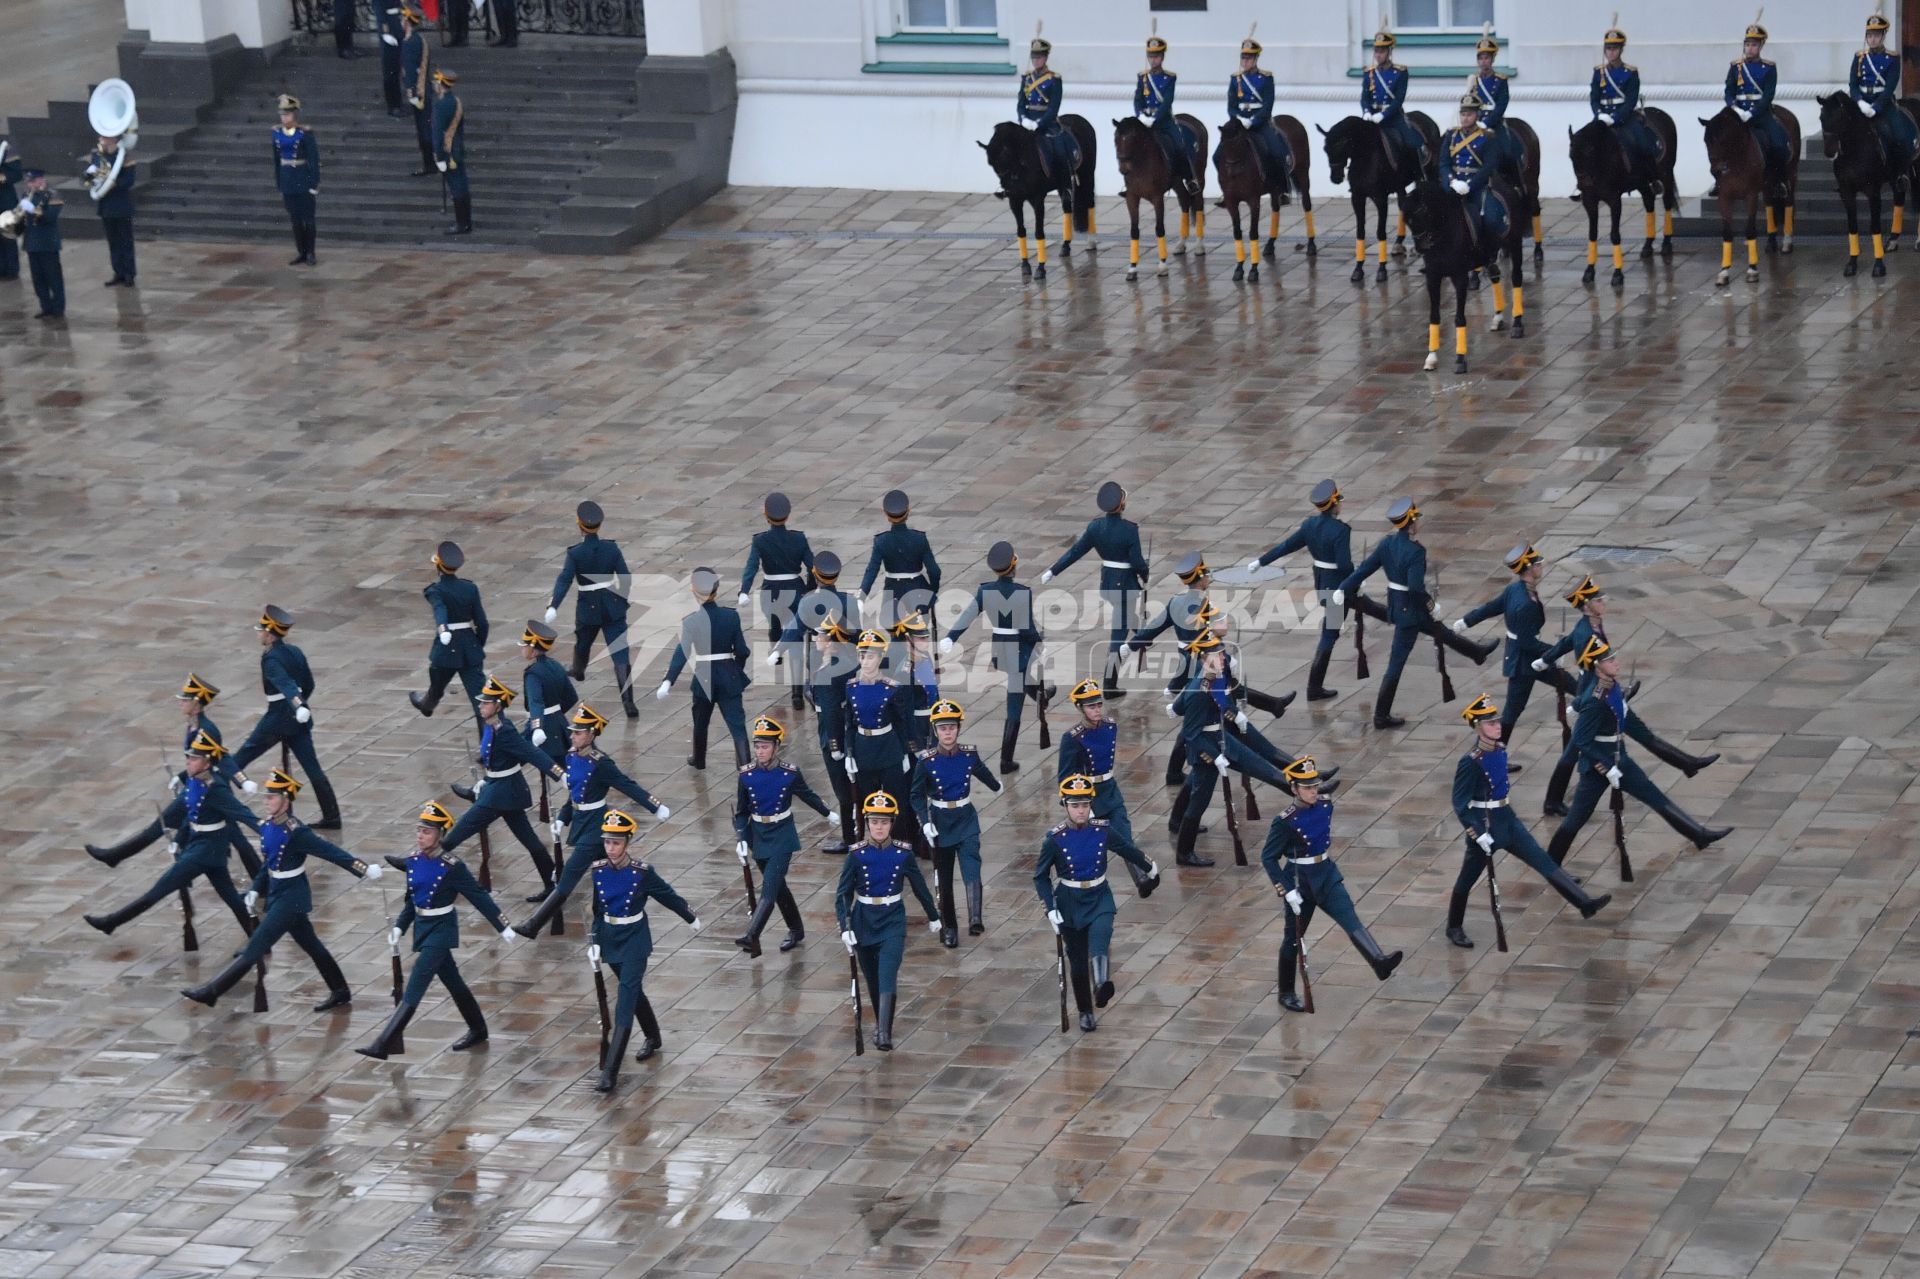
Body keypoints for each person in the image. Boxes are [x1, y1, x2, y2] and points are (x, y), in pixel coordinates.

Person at [181, 769, 382, 1011]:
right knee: (312, 945)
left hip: (291, 898)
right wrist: (256, 888)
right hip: (278, 895)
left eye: (272, 797)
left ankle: (213, 991)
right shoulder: (269, 826)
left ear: (286, 801)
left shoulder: (297, 832)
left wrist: (363, 869)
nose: (267, 802)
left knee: (255, 946)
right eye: (266, 797)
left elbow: (332, 853)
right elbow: (269, 862)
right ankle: (340, 990)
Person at [1545, 639, 1734, 867]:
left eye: (1613, 658)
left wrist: (1646, 738)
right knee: (1576, 819)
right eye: (1609, 660)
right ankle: (1551, 866)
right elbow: (1582, 741)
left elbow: (1623, 716)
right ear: (1597, 668)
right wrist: (1606, 766)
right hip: (1597, 769)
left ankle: (1699, 835)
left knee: (1655, 797)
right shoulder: (1595, 700)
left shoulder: (1611, 686)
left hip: (1620, 760)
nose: (1615, 663)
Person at [1444, 695, 1610, 950]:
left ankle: (1584, 903)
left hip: (1507, 820)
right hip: (1485, 825)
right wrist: (1478, 833)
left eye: (1497, 721)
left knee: (1543, 861)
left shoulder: (1499, 750)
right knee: (1468, 877)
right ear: (1478, 728)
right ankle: (1454, 926)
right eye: (1490, 724)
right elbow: (1459, 803)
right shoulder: (1471, 761)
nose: (1497, 726)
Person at [356, 801, 516, 1059]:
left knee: (416, 983)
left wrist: (502, 925)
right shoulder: (414, 862)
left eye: (427, 832)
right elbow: (413, 900)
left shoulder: (452, 866)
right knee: (453, 981)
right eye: (419, 830)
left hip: (442, 930)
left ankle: (382, 1043)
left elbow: (478, 895)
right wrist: (399, 927)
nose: (421, 836)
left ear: (440, 835)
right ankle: (478, 1029)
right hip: (423, 928)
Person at [1333, 497, 1497, 730]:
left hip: (1401, 605)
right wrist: (1432, 606)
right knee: (1396, 662)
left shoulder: (1387, 544)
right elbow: (1416, 588)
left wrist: (1344, 587)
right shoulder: (1415, 551)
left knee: (1439, 631)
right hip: (1410, 611)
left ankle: (1476, 652)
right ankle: (1381, 715)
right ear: (1410, 523)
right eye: (1416, 518)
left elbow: (1365, 569)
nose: (1418, 522)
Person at [84, 731, 258, 939]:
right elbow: (192, 816)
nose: (188, 762)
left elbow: (243, 814)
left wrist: (269, 831)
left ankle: (111, 922)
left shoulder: (216, 788)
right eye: (188, 757)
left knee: (156, 892)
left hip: (203, 852)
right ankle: (257, 939)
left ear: (206, 763)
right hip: (208, 850)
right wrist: (178, 840)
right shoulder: (195, 781)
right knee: (232, 899)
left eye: (194, 759)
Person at [1261, 757, 1402, 1012]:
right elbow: (1268, 857)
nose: (1313, 791)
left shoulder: (1325, 806)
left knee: (1349, 916)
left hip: (1325, 873)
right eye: (1307, 787)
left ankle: (1378, 961)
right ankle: (1285, 991)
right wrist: (1286, 889)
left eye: (1315, 786)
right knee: (1293, 938)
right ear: (1294, 789)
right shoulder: (1285, 821)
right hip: (1299, 880)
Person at [85, 674, 260, 874]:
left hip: (209, 789)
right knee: (229, 834)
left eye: (186, 700)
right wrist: (182, 776)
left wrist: (242, 780)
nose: (181, 703)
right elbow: (195, 759)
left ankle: (115, 856)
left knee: (230, 836)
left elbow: (221, 758)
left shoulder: (206, 730)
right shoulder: (193, 725)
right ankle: (115, 855)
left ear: (197, 703)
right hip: (197, 786)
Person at [518, 704, 668, 934]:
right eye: (573, 732)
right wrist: (563, 818)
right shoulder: (571, 756)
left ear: (591, 734)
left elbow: (626, 785)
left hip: (596, 825)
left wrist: (654, 806)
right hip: (581, 821)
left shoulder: (601, 763)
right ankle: (603, 918)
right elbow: (575, 793)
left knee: (568, 876)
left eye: (578, 732)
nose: (572, 736)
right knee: (603, 872)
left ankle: (533, 925)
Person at [1168, 631, 1306, 868]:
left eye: (1222, 655)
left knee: (1264, 769)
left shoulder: (1214, 678)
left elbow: (1181, 706)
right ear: (1203, 660)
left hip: (1223, 740)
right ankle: (1184, 853)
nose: (1222, 659)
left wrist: (1175, 707)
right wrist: (1213, 758)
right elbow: (1191, 735)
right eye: (1217, 656)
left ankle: (1306, 793)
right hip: (1208, 754)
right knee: (1198, 803)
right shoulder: (1198, 691)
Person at [1034, 774, 1159, 1033]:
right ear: (1065, 806)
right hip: (1069, 902)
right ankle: (1085, 1011)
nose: (1081, 810)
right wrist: (1050, 908)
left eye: (1084, 805)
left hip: (1099, 895)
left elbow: (1125, 848)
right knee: (1078, 962)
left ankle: (1102, 984)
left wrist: (1149, 865)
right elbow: (1041, 877)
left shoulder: (1102, 829)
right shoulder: (1054, 839)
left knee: (1101, 935)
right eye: (1075, 805)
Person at [589, 810, 700, 1091]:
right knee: (633, 990)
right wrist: (594, 942)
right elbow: (597, 911)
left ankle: (610, 1072)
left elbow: (667, 895)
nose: (610, 848)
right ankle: (653, 1036)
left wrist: (689, 916)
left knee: (625, 1001)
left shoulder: (642, 872)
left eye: (616, 843)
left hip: (635, 940)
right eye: (607, 843)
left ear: (627, 842)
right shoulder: (598, 871)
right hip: (610, 938)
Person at [1247, 479, 1372, 703]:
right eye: (1339, 501)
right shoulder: (1340, 530)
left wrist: (1261, 561)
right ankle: (1314, 688)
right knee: (1330, 633)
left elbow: (1286, 546)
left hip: (1324, 583)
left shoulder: (1309, 526)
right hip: (1339, 587)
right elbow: (1344, 565)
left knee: (1361, 610)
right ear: (1334, 504)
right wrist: (1357, 579)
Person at [442, 675, 567, 898]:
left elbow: (531, 752)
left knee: (457, 834)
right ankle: (554, 884)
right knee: (530, 840)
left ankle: (425, 860)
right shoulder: (491, 726)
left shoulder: (504, 730)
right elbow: (499, 761)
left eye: (485, 703)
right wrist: (486, 780)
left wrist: (559, 774)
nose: (480, 706)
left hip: (501, 794)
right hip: (503, 790)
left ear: (498, 706)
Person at [836, 792, 941, 1052]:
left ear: (891, 823)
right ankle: (882, 1023)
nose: (879, 827)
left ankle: (884, 1033)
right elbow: (842, 894)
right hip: (863, 921)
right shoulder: (856, 855)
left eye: (884, 822)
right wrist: (845, 926)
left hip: (892, 920)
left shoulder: (902, 854)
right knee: (872, 979)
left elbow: (919, 887)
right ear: (867, 823)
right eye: (874, 822)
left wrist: (934, 915)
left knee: (887, 974)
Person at [1453, 544, 1576, 762]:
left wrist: (1467, 621)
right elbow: (1528, 643)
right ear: (1528, 568)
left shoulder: (1516, 590)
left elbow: (1491, 607)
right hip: (1524, 662)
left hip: (1527, 657)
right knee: (1511, 712)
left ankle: (1610, 698)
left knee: (1567, 681)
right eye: (1537, 564)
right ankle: (1487, 757)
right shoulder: (1525, 603)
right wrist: (1555, 651)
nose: (1541, 566)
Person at [228, 605, 342, 830]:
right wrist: (300, 707)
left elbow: (287, 685)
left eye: (261, 630)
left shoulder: (271, 659)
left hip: (277, 720)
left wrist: (296, 704)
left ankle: (217, 803)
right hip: (296, 721)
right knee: (313, 768)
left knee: (239, 758)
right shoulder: (295, 651)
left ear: (270, 633)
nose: (259, 633)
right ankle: (332, 816)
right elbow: (308, 684)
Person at [942, 540, 1048, 774]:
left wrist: (951, 637)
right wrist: (1040, 643)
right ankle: (1005, 761)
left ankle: (1041, 695)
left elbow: (968, 615)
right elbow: (1027, 629)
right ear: (1013, 566)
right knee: (1014, 705)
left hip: (1000, 649)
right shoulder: (1022, 593)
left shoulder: (985, 590)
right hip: (1019, 650)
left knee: (1019, 678)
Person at [776, 554, 860, 851]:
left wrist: (779, 650)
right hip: (842, 679)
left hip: (832, 702)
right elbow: (857, 636)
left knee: (840, 775)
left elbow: (795, 628)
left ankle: (852, 836)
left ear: (815, 574)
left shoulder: (809, 602)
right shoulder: (849, 602)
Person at [733, 715, 833, 958]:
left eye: (765, 746)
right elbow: (742, 812)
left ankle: (752, 934)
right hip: (759, 835)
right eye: (757, 746)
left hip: (782, 836)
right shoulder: (746, 775)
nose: (760, 751)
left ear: (776, 747)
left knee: (769, 889)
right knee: (778, 888)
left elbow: (807, 795)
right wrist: (742, 840)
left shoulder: (789, 773)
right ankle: (796, 929)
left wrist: (828, 813)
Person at [1041, 480, 1147, 699]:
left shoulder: (1095, 527)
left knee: (1125, 616)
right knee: (1118, 635)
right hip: (1124, 585)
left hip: (1107, 583)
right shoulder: (1129, 530)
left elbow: (1075, 551)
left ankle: (1143, 633)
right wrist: (1145, 572)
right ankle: (1110, 683)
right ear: (1122, 505)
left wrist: (1054, 570)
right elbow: (1136, 561)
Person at [909, 700, 1003, 946]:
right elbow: (916, 795)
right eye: (942, 728)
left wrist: (996, 785)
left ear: (958, 729)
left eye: (951, 727)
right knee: (945, 877)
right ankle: (949, 926)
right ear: (935, 731)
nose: (947, 733)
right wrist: (925, 821)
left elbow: (980, 770)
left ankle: (975, 917)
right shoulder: (927, 761)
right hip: (940, 821)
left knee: (972, 865)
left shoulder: (969, 754)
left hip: (966, 818)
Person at [1123, 550, 1212, 785]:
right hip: (1200, 666)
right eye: (1207, 574)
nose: (1209, 577)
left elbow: (1154, 627)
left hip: (1191, 662)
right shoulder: (1201, 604)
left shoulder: (1175, 601)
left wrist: (1131, 646)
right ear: (1200, 576)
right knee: (1193, 724)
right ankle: (1174, 771)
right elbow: (1203, 644)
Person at [836, 629, 929, 856]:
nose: (865, 661)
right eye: (862, 656)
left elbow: (902, 723)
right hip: (863, 750)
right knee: (868, 803)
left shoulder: (891, 687)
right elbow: (848, 723)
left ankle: (901, 846)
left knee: (897, 802)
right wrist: (849, 752)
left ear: (879, 659)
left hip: (888, 750)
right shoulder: (851, 687)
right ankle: (874, 846)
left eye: (870, 656)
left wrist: (906, 752)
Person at [1056, 680, 1151, 898]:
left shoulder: (1110, 726)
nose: (1097, 710)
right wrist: (1078, 805)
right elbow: (1064, 776)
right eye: (1091, 706)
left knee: (1124, 836)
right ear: (1081, 708)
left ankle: (1141, 879)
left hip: (1110, 789)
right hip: (1087, 796)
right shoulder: (1073, 738)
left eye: (1098, 705)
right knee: (1091, 848)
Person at [544, 500, 637, 717]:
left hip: (588, 607)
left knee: (583, 642)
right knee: (620, 653)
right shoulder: (611, 548)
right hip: (613, 606)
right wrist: (621, 599)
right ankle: (629, 702)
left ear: (580, 525)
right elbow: (625, 577)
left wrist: (553, 605)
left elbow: (564, 579)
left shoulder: (575, 553)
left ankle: (578, 670)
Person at [657, 567, 752, 769]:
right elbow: (742, 650)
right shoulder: (730, 617)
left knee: (701, 722)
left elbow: (681, 653)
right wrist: (736, 670)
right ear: (716, 591)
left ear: (694, 591)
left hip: (704, 677)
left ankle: (699, 759)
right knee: (737, 727)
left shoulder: (691, 621)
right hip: (728, 675)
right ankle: (745, 767)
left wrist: (668, 681)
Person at [740, 492, 814, 711]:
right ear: (788, 514)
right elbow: (812, 565)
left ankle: (775, 647)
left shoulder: (760, 540)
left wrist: (744, 590)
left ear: (766, 514)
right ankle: (797, 693)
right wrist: (811, 588)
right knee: (795, 638)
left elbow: (752, 567)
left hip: (770, 591)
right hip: (795, 590)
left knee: (774, 624)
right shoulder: (798, 538)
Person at [410, 541, 489, 717]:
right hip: (470, 647)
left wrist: (443, 628)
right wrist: (477, 646)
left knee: (437, 684)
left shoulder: (436, 591)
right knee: (480, 701)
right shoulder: (470, 588)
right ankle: (488, 739)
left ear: (438, 566)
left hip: (447, 649)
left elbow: (440, 609)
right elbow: (482, 623)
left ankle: (427, 704)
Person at [1725, 19, 1791, 202]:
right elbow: (1729, 91)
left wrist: (1752, 113)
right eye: (1747, 44)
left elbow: (1768, 95)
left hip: (1761, 115)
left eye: (1753, 45)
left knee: (1779, 144)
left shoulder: (1769, 68)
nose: (1749, 48)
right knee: (1720, 140)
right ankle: (1720, 180)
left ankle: (1779, 182)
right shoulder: (1735, 67)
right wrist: (1734, 107)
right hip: (1737, 113)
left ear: (1760, 46)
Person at [859, 489, 940, 631]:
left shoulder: (881, 541)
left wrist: (862, 596)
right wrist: (932, 590)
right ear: (908, 511)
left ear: (886, 514)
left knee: (895, 636)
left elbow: (872, 570)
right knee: (920, 635)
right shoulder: (919, 538)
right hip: (918, 590)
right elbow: (934, 570)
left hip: (893, 591)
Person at [1851, 10, 1918, 180]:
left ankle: (1902, 173)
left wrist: (1876, 107)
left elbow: (1890, 87)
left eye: (1876, 35)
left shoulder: (1892, 59)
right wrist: (1859, 101)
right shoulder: (1859, 57)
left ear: (1883, 36)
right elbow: (1853, 84)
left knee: (1900, 136)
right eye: (1870, 35)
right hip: (1862, 101)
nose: (1872, 39)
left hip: (1884, 103)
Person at [1134, 27, 1199, 197]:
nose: (1153, 59)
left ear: (1162, 57)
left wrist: (1154, 118)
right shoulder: (1143, 77)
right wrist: (1140, 115)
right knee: (1130, 146)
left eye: (1156, 56)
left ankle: (1190, 179)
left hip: (1163, 121)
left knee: (1180, 145)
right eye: (1150, 56)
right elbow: (1137, 98)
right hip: (1144, 119)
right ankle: (1131, 182)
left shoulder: (1169, 78)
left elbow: (1167, 101)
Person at [1437, 94, 1507, 246]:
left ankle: (1489, 255)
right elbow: (1443, 163)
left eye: (1469, 114)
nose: (1465, 118)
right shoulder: (1451, 135)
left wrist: (1470, 185)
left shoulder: (1487, 137)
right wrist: (1452, 181)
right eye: (1463, 114)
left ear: (1477, 115)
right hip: (1453, 186)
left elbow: (1488, 167)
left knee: (1491, 219)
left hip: (1476, 187)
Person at [1592, 21, 1660, 176]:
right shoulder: (1598, 72)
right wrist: (1599, 114)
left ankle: (1652, 178)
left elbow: (1631, 101)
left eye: (1614, 48)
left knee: (1643, 144)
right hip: (1602, 115)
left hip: (1625, 117)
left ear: (1621, 50)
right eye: (1608, 48)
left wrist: (1615, 117)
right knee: (1585, 144)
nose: (1611, 52)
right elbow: (1594, 97)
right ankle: (1585, 185)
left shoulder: (1630, 72)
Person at [1017, 28, 1077, 203]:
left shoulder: (1054, 79)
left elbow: (1053, 108)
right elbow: (1021, 103)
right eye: (1034, 57)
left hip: (1047, 124)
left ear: (1046, 58)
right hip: (1028, 123)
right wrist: (1024, 119)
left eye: (1039, 57)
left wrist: (1040, 124)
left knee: (1059, 150)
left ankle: (1065, 186)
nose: (1036, 61)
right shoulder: (1026, 79)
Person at [1228, 33, 1292, 195]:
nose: (1245, 61)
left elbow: (1268, 106)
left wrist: (1253, 121)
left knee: (1276, 152)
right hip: (1240, 123)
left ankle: (1283, 188)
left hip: (1260, 123)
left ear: (1256, 59)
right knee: (1219, 155)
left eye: (1249, 58)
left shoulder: (1265, 78)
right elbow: (1231, 106)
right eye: (1243, 58)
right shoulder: (1236, 79)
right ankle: (1228, 188)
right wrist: (1238, 118)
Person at [1360, 23, 1426, 171]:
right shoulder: (1369, 73)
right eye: (1376, 51)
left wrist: (1384, 114)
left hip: (1393, 116)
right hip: (1372, 117)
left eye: (1382, 51)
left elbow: (1398, 100)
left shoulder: (1400, 72)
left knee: (1412, 142)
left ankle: (1419, 172)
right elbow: (1365, 97)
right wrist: (1366, 111)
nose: (1378, 55)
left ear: (1389, 52)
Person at [518, 620, 577, 766]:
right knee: (564, 765)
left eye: (525, 645)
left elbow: (535, 702)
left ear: (532, 647)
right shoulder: (555, 665)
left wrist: (537, 727)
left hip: (541, 726)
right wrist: (555, 713)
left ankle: (483, 787)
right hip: (559, 723)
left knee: (511, 759)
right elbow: (571, 696)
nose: (522, 649)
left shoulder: (533, 673)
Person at [272, 95, 321, 267]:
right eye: (282, 114)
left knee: (308, 218)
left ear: (295, 115)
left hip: (302, 179)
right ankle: (301, 251)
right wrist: (279, 182)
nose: (284, 117)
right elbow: (276, 160)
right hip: (288, 180)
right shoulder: (276, 133)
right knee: (295, 219)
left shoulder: (304, 134)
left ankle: (311, 252)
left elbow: (313, 159)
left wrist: (314, 182)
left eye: (288, 114)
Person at [1468, 27, 1522, 180]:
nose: (1483, 61)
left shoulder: (1500, 80)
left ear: (1492, 60)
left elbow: (1501, 104)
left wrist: (1487, 123)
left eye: (1487, 58)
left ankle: (1516, 182)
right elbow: (1470, 103)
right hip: (1476, 122)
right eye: (1481, 58)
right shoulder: (1474, 80)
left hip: (1495, 122)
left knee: (1508, 150)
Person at [85, 132, 136, 287]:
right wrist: (89, 176)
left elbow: (129, 180)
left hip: (120, 205)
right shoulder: (98, 156)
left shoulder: (124, 157)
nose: (100, 140)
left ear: (112, 139)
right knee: (113, 241)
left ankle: (129, 273)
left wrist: (113, 183)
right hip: (106, 205)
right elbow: (89, 180)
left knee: (125, 241)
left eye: (103, 137)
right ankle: (118, 272)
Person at [18, 169, 64, 320]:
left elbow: (50, 217)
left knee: (53, 277)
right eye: (28, 182)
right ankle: (46, 306)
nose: (30, 184)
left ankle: (58, 308)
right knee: (38, 279)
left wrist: (32, 210)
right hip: (32, 242)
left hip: (47, 242)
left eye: (32, 181)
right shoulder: (27, 195)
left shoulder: (52, 195)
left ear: (40, 180)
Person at [891, 611, 938, 751]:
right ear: (908, 640)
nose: (926, 641)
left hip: (931, 722)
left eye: (926, 637)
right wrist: (913, 743)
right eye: (920, 638)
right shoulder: (904, 671)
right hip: (918, 725)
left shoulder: (925, 657)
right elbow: (905, 711)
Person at [432, 69, 471, 235]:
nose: (434, 85)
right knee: (461, 185)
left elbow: (437, 133)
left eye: (436, 82)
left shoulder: (441, 105)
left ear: (441, 86)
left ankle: (461, 224)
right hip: (457, 150)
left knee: (456, 187)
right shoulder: (456, 101)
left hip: (447, 153)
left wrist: (439, 156)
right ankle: (466, 221)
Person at [400, 6, 436, 176]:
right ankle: (430, 162)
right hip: (423, 89)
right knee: (424, 127)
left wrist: (411, 90)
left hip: (418, 91)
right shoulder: (419, 39)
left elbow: (411, 69)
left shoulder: (409, 43)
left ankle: (429, 164)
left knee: (423, 129)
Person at [377, 3, 407, 116]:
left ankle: (397, 102)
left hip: (398, 22)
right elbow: (379, 8)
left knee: (397, 66)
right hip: (389, 26)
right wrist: (385, 31)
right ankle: (393, 105)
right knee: (390, 68)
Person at [0, 138, 21, 281]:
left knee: (7, 236)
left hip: (5, 200)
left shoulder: (6, 148)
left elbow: (17, 174)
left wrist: (3, 178)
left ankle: (12, 270)